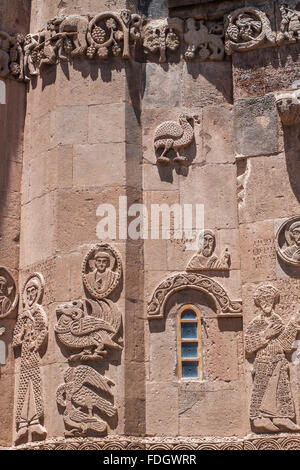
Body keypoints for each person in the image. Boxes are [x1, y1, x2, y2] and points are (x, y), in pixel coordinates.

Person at [245, 284, 300, 433]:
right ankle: (258, 419)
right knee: (261, 388)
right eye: (263, 301)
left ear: (273, 302)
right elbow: (248, 346)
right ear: (259, 304)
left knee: (282, 389)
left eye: (269, 301)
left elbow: (285, 345)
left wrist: (294, 325)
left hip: (279, 359)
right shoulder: (256, 323)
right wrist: (265, 335)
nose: (266, 304)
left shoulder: (278, 321)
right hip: (262, 360)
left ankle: (281, 417)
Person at [13, 277, 48, 443]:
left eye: (34, 291)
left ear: (38, 293)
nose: (31, 294)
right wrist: (19, 337)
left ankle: (35, 422)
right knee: (22, 387)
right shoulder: (23, 315)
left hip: (33, 353)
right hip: (25, 353)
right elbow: (15, 339)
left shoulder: (38, 312)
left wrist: (36, 342)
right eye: (28, 291)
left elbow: (44, 330)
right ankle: (21, 424)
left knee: (35, 383)